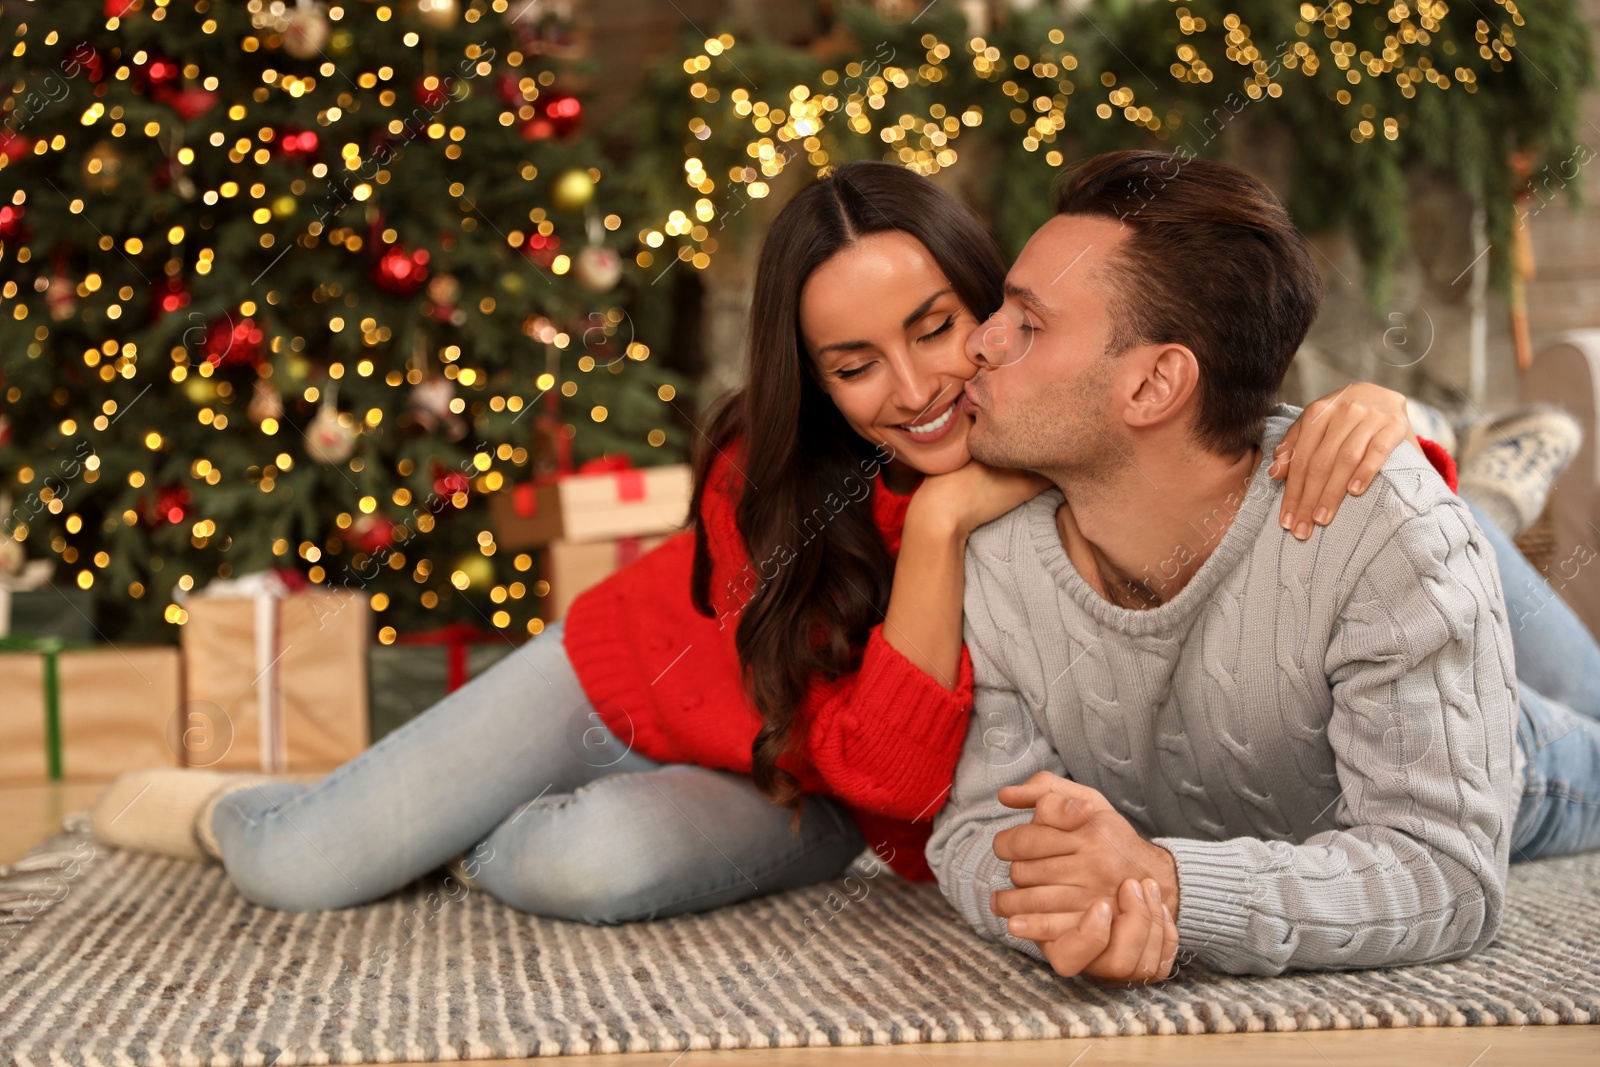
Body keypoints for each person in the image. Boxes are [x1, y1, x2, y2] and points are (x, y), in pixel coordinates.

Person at [88, 163, 1428, 921]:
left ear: (1000, 305)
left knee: (587, 867)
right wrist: (942, 524)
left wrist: (1381, 407)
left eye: (937, 326)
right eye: (854, 363)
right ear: (814, 379)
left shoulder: (1057, 426)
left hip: (805, 777)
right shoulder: (772, 481)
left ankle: (455, 838)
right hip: (614, 683)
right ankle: (214, 802)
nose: (913, 390)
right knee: (304, 863)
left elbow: (891, 783)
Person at [925, 150, 1600, 984]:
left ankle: (1471, 483)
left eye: (1027, 324)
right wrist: (1084, 913)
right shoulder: (999, 547)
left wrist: (1167, 885)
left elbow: (1448, 872)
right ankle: (1486, 500)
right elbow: (973, 828)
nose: (976, 344)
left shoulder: (1381, 522)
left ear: (1154, 385)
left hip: (1524, 761)